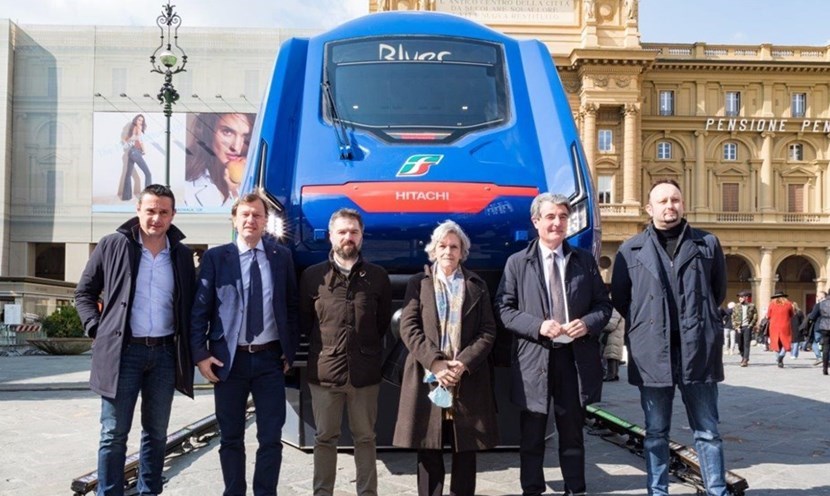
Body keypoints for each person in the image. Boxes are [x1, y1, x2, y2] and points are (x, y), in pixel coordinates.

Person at [75, 184, 196, 496]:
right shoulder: (113, 245)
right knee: (113, 433)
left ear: (173, 215)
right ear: (138, 210)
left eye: (163, 212)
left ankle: (148, 491)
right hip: (123, 353)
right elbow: (84, 293)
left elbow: (190, 305)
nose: (156, 218)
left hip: (164, 355)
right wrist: (96, 329)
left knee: (156, 433)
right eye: (150, 210)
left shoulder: (182, 255)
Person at [611, 179, 728, 496]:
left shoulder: (707, 244)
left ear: (683, 204)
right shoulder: (630, 249)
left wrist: (701, 321)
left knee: (707, 430)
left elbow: (717, 291)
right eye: (662, 201)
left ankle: (717, 490)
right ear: (649, 208)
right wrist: (648, 324)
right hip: (652, 353)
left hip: (698, 351)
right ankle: (657, 490)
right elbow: (622, 298)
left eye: (675, 200)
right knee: (655, 432)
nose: (669, 206)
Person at [495, 192, 611, 496]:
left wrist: (587, 324)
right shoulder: (517, 263)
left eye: (562, 216)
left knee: (572, 432)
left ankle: (576, 489)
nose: (557, 223)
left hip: (573, 359)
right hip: (535, 358)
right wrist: (538, 326)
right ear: (536, 221)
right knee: (532, 434)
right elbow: (504, 309)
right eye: (550, 217)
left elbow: (603, 306)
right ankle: (532, 489)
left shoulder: (584, 261)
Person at [190, 191, 299, 496]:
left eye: (257, 215)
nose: (251, 220)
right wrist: (201, 355)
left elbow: (292, 307)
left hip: (269, 361)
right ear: (234, 220)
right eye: (245, 215)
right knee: (230, 438)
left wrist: (289, 351)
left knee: (271, 438)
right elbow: (199, 310)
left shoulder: (281, 257)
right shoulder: (215, 258)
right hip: (229, 362)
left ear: (266, 222)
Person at [394, 220, 499, 496]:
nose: (448, 251)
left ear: (462, 252)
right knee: (428, 447)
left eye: (454, 246)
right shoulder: (419, 283)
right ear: (434, 250)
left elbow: (488, 330)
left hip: (466, 379)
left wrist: (463, 363)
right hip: (428, 376)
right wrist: (436, 362)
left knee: (466, 449)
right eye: (443, 246)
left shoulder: (477, 285)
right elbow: (409, 327)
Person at [299, 208, 392, 496]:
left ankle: (367, 493)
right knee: (325, 438)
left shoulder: (377, 277)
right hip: (324, 373)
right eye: (342, 232)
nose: (348, 237)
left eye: (353, 231)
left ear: (361, 236)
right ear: (330, 236)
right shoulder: (313, 277)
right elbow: (304, 322)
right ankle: (322, 492)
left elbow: (381, 323)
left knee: (365, 438)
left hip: (365, 374)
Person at [184, 113, 255, 208]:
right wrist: (235, 196)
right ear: (208, 133)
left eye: (247, 137)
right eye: (227, 132)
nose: (236, 147)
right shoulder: (184, 186)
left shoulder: (262, 186)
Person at [120, 114, 152, 201]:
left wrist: (132, 139)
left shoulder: (132, 128)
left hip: (131, 152)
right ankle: (148, 198)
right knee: (148, 174)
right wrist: (144, 150)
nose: (140, 122)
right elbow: (140, 141)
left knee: (128, 174)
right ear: (135, 120)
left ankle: (126, 197)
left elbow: (125, 140)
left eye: (142, 120)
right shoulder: (138, 128)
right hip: (136, 152)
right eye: (139, 120)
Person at [804, 290, 830, 375]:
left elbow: (812, 316)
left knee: (826, 347)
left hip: (824, 326)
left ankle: (825, 368)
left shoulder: (821, 304)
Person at [767, 291, 794, 368]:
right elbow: (792, 314)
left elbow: (768, 315)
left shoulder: (772, 304)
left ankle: (779, 359)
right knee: (786, 342)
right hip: (785, 325)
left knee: (776, 343)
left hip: (774, 326)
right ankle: (781, 356)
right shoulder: (788, 304)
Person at [732, 290, 757, 367]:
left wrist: (751, 325)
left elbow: (755, 316)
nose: (740, 298)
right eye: (739, 297)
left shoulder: (752, 306)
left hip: (747, 327)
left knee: (746, 344)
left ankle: (745, 359)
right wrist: (736, 327)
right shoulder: (736, 306)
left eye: (741, 297)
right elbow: (733, 317)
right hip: (739, 327)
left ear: (746, 298)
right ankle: (743, 356)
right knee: (740, 344)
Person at [601, 308, 625, 382]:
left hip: (613, 337)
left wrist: (601, 326)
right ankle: (615, 374)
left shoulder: (616, 311)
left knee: (611, 356)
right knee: (614, 356)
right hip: (616, 337)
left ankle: (610, 375)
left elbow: (611, 325)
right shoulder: (619, 311)